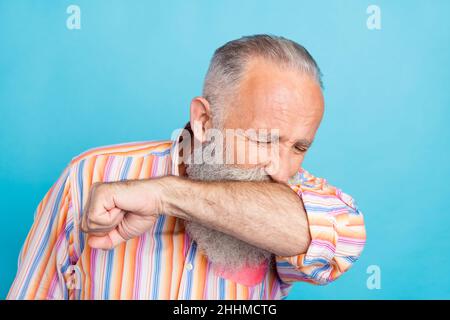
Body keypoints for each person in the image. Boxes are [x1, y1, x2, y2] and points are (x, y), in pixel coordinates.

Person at [8, 34, 366, 300]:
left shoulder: (292, 199)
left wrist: (164, 195)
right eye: (264, 139)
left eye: (299, 147)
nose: (280, 168)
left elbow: (343, 242)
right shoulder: (90, 176)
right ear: (205, 120)